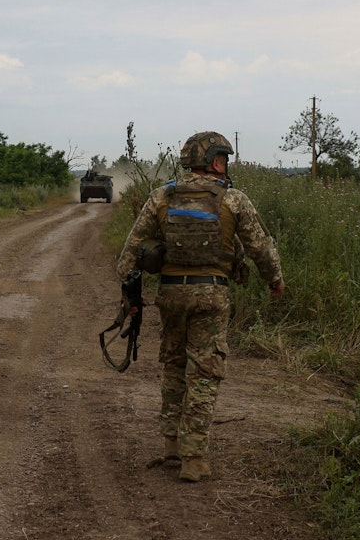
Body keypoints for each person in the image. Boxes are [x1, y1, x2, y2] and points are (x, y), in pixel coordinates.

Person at [115, 131, 285, 482]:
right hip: (212, 296)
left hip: (171, 296)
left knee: (175, 365)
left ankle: (171, 446)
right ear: (216, 161)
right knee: (204, 373)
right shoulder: (233, 200)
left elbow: (128, 255)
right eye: (224, 159)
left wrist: (129, 297)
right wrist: (275, 281)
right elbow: (260, 247)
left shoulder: (161, 196)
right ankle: (194, 459)